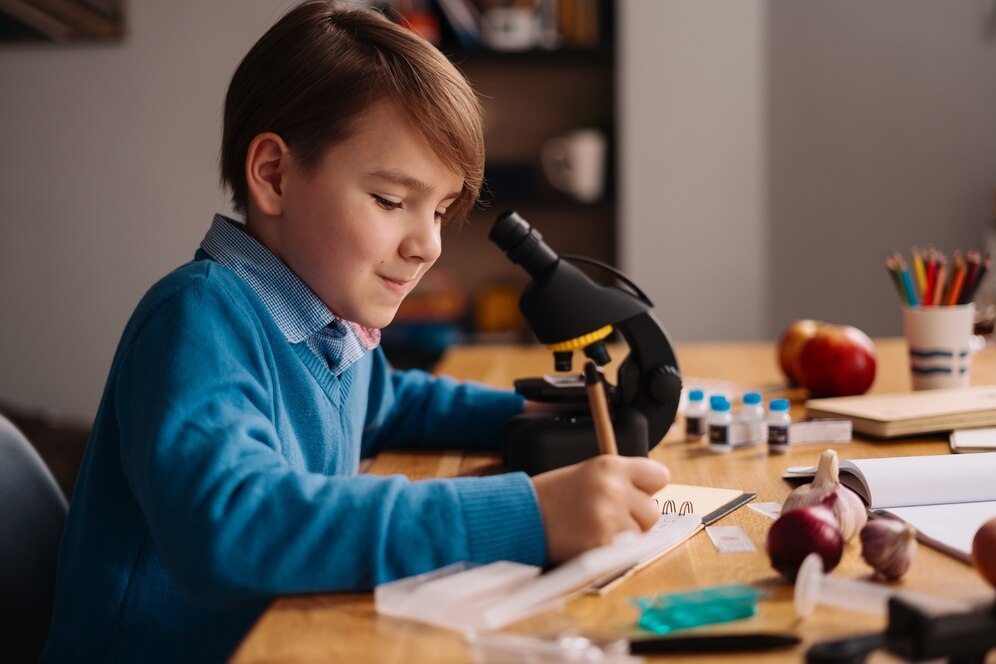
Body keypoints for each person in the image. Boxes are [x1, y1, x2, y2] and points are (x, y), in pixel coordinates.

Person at [41, 2, 670, 661]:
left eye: (441, 210)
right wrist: (526, 515)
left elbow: (394, 405)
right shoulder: (198, 321)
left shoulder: (327, 323)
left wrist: (542, 410)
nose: (427, 245)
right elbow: (230, 525)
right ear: (274, 175)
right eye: (392, 201)